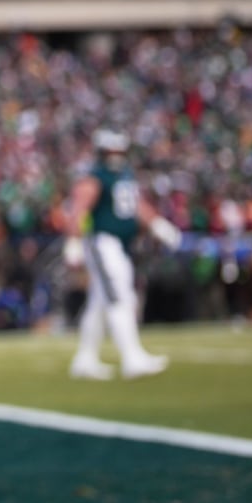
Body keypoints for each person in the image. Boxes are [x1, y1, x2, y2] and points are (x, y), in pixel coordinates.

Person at [65, 129, 179, 381]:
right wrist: (73, 240)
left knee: (99, 304)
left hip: (120, 245)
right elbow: (79, 208)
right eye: (111, 151)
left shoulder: (124, 176)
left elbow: (135, 205)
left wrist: (158, 225)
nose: (115, 156)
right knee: (120, 298)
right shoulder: (95, 177)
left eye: (119, 151)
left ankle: (85, 358)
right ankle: (131, 357)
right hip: (102, 243)